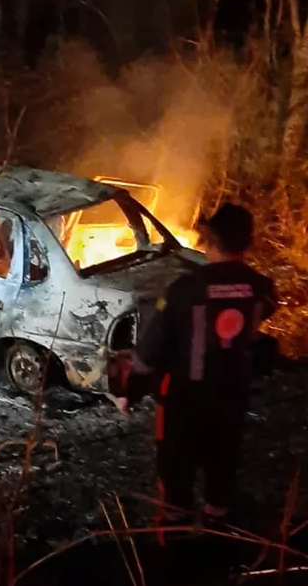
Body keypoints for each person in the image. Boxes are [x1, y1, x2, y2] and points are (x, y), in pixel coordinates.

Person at [114, 203, 278, 542]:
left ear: (210, 242)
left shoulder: (184, 290)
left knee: (176, 481)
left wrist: (128, 391)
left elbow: (150, 351)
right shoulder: (260, 287)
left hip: (183, 404)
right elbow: (260, 313)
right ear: (246, 243)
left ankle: (175, 554)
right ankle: (220, 547)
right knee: (221, 473)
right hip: (231, 401)